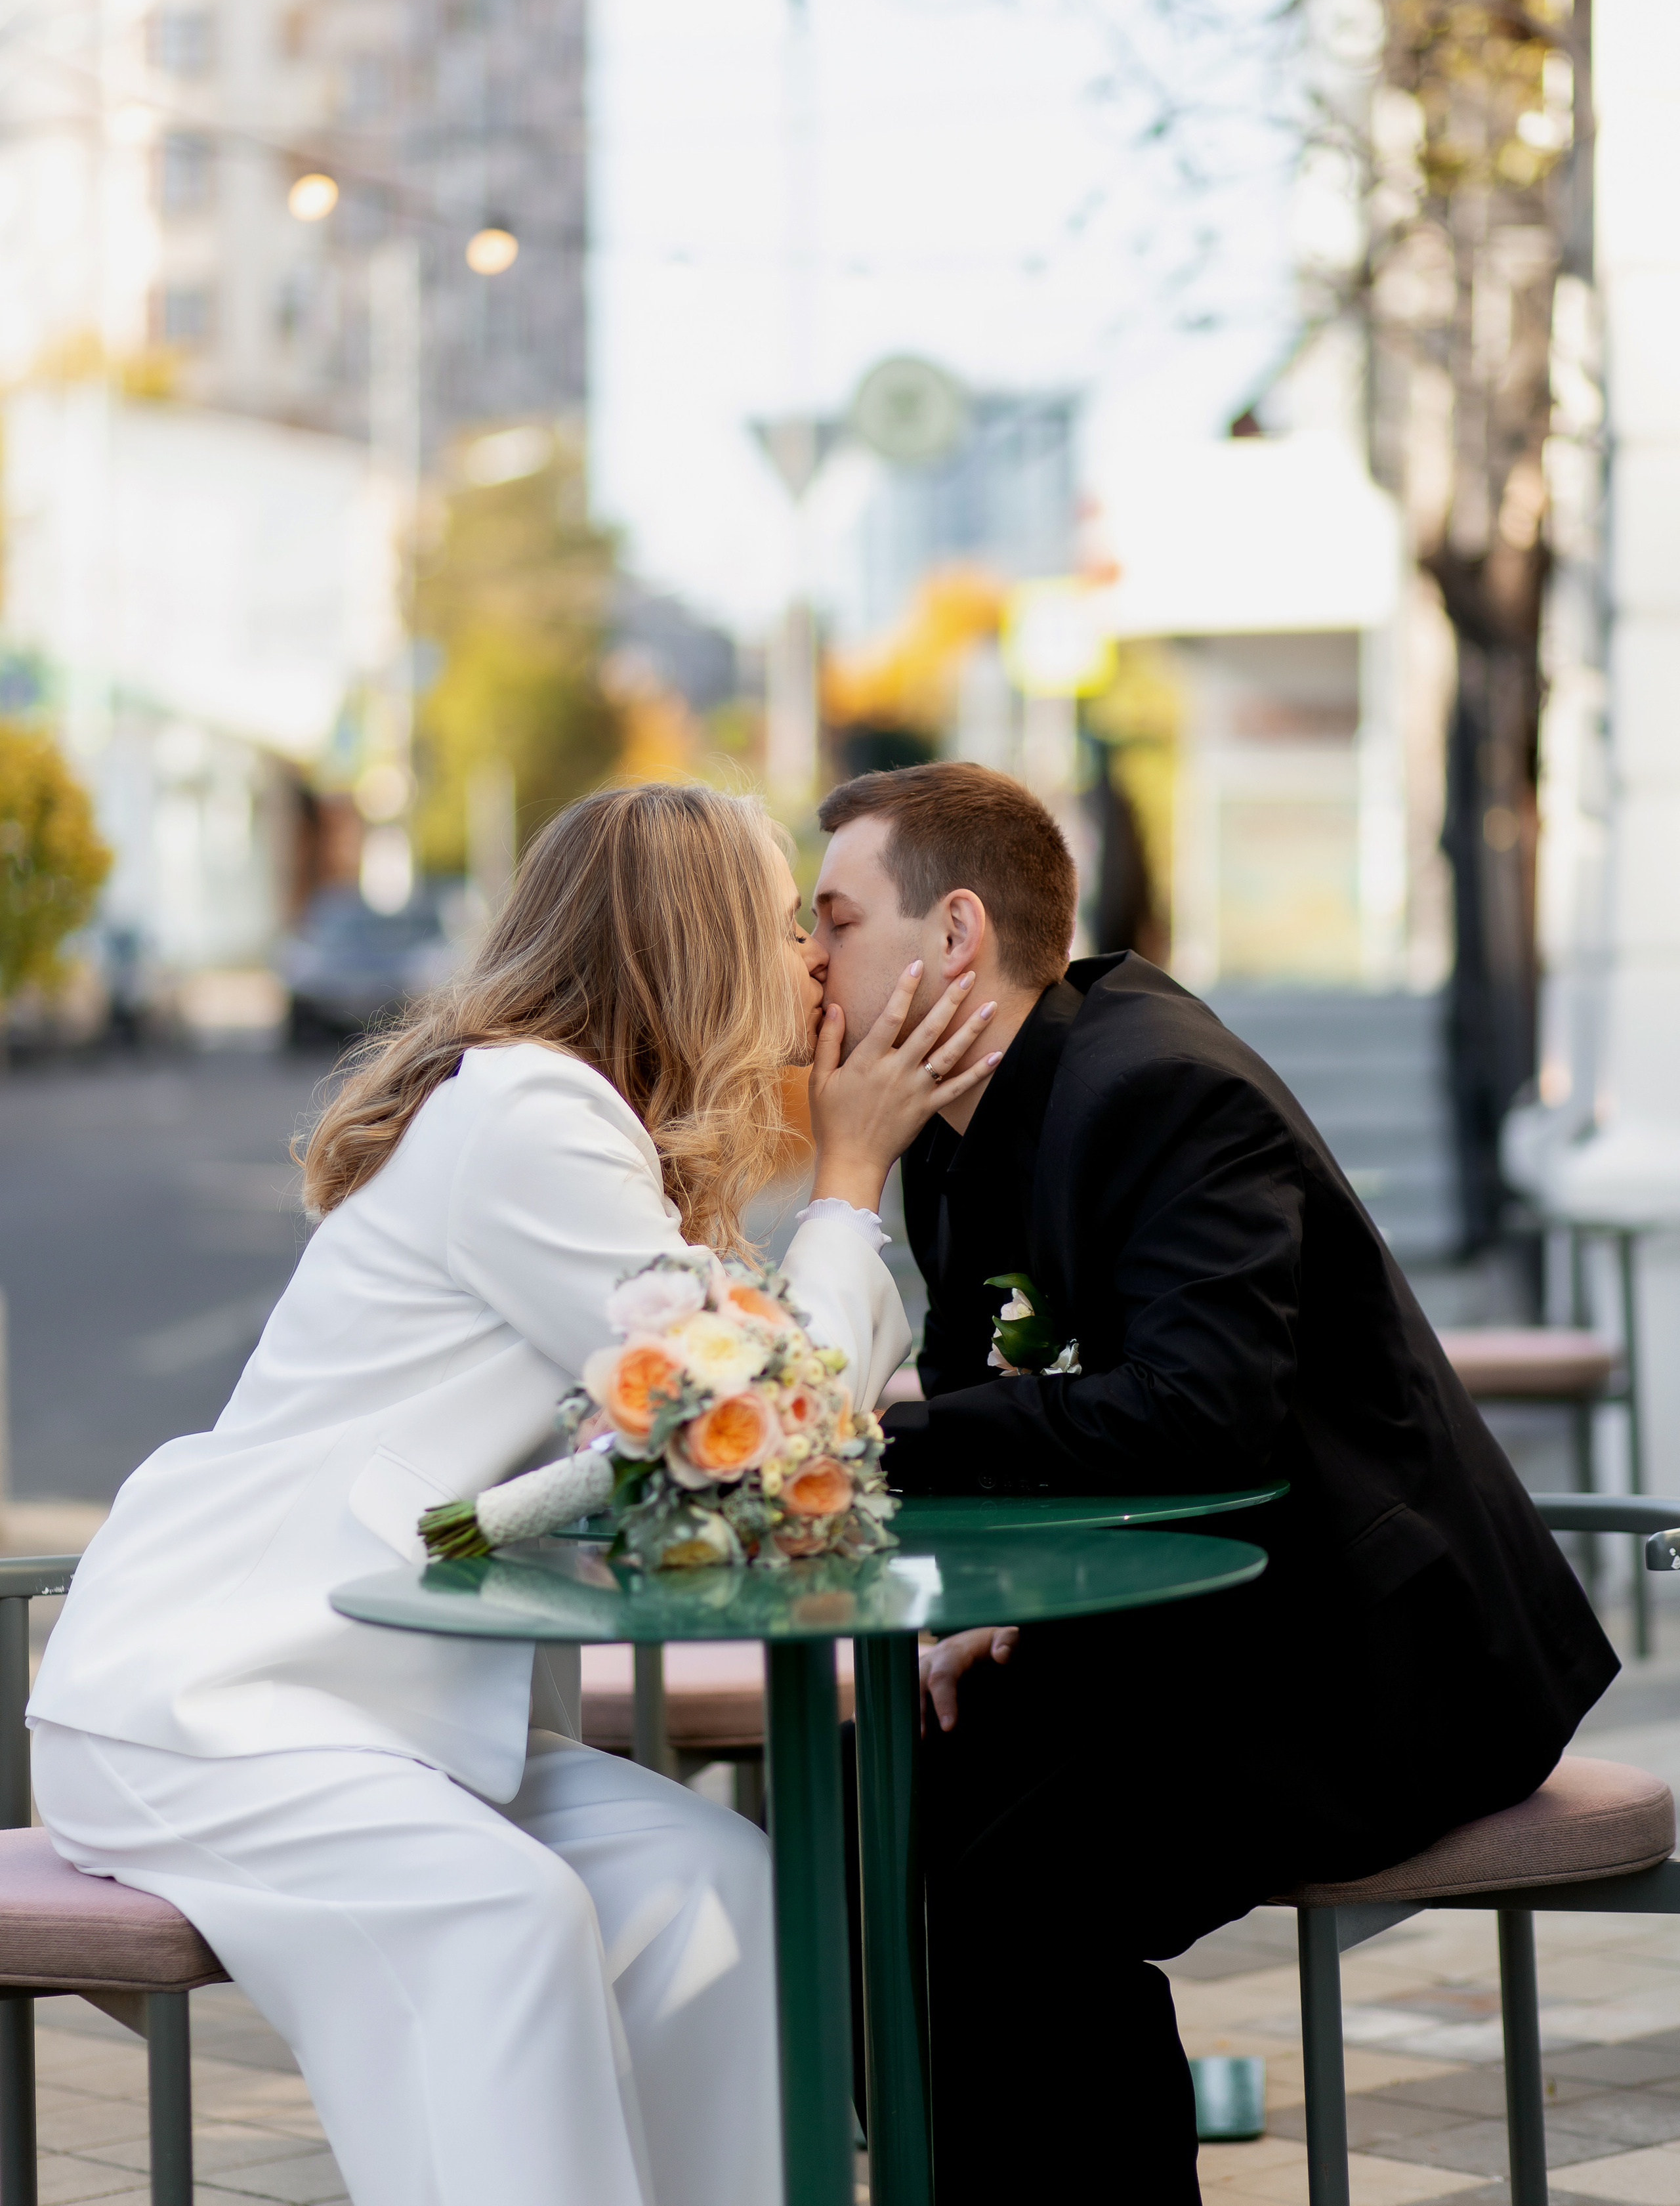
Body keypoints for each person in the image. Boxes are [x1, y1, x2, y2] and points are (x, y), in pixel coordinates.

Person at [28, 782, 999, 2206]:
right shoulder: (528, 1116)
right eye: (783, 920)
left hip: (388, 1721)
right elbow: (779, 1418)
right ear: (697, 943)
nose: (809, 956)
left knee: (712, 1888)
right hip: (212, 1704)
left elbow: (766, 1411)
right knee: (507, 1920)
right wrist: (850, 1177)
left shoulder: (583, 1133)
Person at [812, 760, 1618, 2206]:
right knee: (879, 1835)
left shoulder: (1157, 1087)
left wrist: (870, 1444)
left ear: (951, 937)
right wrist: (1002, 1608)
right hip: (1193, 1630)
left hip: (1371, 1663)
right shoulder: (947, 1126)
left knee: (1013, 1890)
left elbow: (1200, 1417)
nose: (804, 959)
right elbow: (1022, 1406)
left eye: (830, 919)